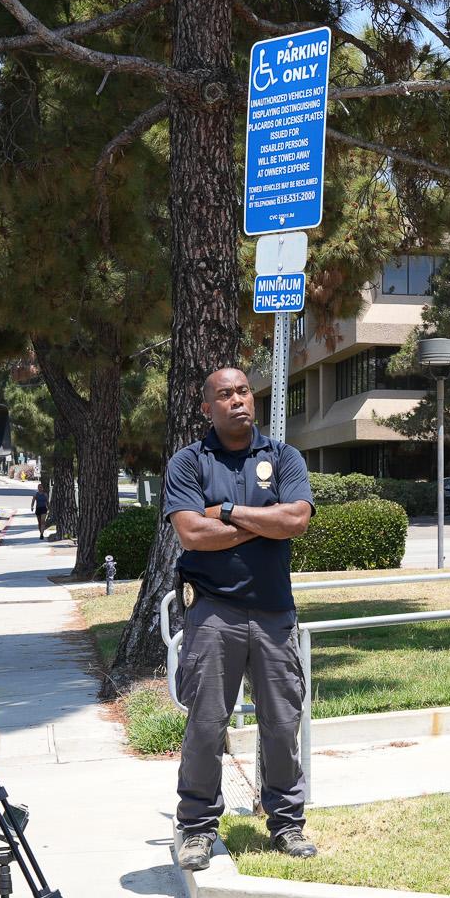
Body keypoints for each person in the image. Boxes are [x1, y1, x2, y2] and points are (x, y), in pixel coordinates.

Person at [163, 365, 317, 871]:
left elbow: (295, 520)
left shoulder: (284, 456)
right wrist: (263, 522)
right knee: (207, 725)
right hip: (213, 612)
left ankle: (286, 823)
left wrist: (225, 512)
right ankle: (197, 828)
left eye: (244, 391)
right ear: (207, 407)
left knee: (281, 723)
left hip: (274, 614)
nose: (238, 401)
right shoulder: (188, 463)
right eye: (224, 395)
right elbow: (191, 534)